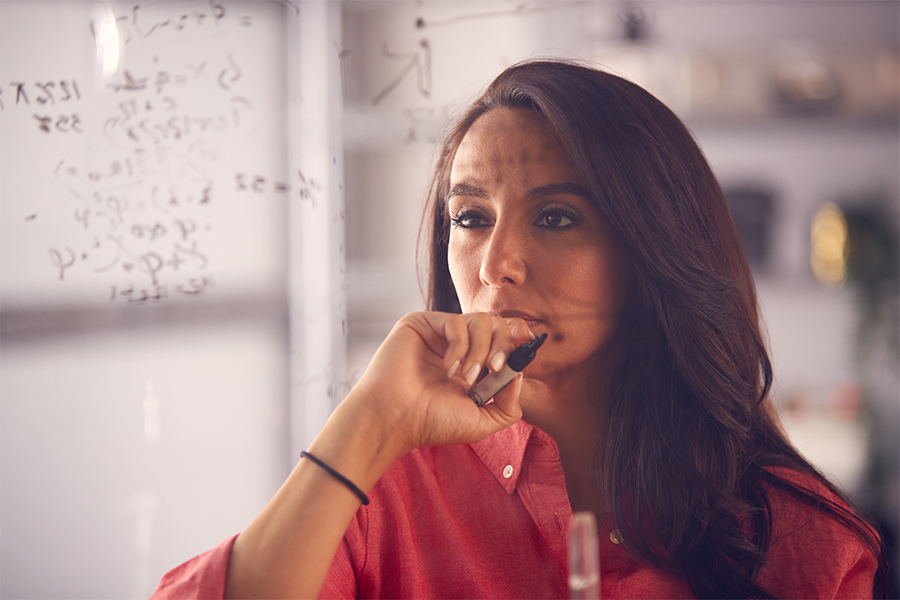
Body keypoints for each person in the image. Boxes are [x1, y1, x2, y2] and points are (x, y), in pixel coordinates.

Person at [151, 60, 886, 599]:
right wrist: (366, 420)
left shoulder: (795, 533)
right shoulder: (386, 482)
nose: (495, 264)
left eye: (556, 217)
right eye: (470, 218)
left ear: (653, 249)